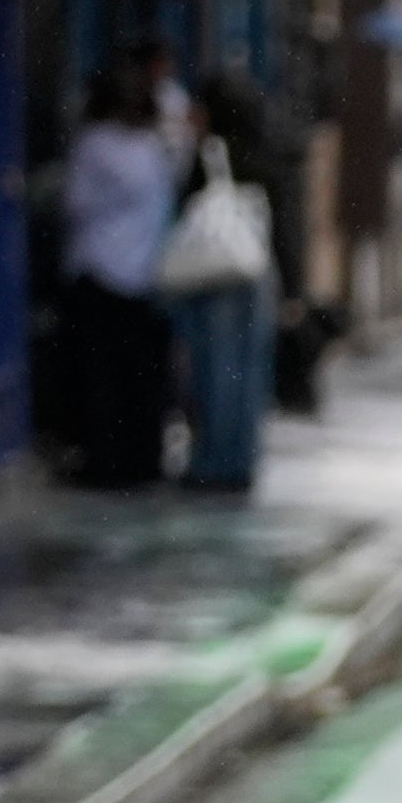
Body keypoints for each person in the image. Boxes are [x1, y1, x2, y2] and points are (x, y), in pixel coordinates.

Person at [60, 68, 177, 488]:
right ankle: (143, 458)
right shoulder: (151, 148)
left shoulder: (93, 146)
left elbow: (75, 203)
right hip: (143, 273)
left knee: (99, 374)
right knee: (140, 374)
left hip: (97, 269)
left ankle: (105, 460)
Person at [174, 68, 278, 494]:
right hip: (255, 270)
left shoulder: (210, 154)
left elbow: (186, 205)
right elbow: (282, 214)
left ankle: (214, 462)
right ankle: (242, 458)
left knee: (214, 371)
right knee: (248, 371)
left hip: (215, 275)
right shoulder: (263, 151)